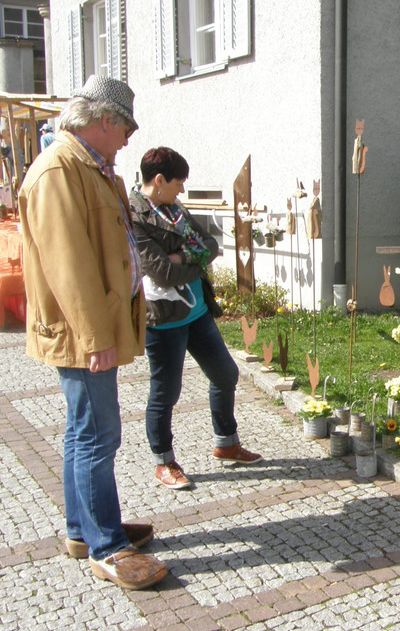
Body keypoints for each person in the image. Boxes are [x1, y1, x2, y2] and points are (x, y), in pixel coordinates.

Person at [18, 76, 167, 591]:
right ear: (105, 121)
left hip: (91, 329)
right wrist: (94, 337)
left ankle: (84, 529)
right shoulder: (58, 171)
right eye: (126, 128)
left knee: (85, 430)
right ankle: (106, 546)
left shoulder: (89, 168)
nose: (128, 139)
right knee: (98, 434)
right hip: (83, 334)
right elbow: (70, 266)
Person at [130, 146, 261, 491]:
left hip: (197, 311)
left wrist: (181, 256)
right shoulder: (134, 217)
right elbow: (162, 273)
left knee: (225, 374)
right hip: (164, 320)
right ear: (159, 180)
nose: (183, 190)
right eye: (179, 183)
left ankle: (226, 443)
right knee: (166, 392)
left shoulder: (174, 208)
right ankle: (164, 462)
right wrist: (190, 258)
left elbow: (210, 244)